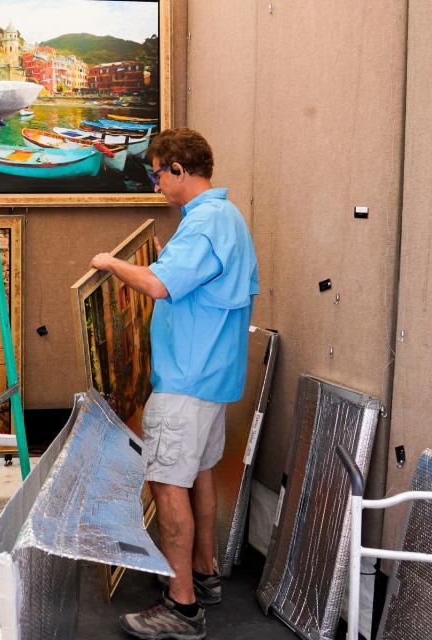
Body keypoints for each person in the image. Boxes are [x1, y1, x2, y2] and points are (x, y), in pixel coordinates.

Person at [90, 128, 259, 640]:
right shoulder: (225, 219)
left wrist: (110, 263)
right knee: (199, 475)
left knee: (167, 485)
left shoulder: (206, 223)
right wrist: (161, 256)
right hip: (212, 377)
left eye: (158, 173)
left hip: (185, 380)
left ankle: (181, 606)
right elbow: (194, 284)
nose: (156, 184)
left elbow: (161, 285)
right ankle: (203, 574)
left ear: (179, 170)